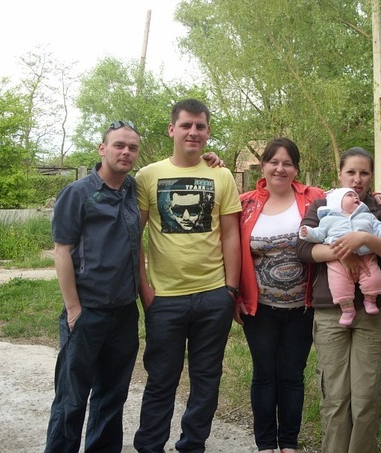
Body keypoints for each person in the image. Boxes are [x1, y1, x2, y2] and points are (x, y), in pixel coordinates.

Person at [133, 99, 242, 453]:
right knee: (161, 379)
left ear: (208, 132)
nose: (193, 132)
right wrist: (145, 289)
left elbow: (230, 235)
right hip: (164, 299)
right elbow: (135, 236)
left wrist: (230, 290)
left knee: (207, 379)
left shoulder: (222, 175)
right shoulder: (148, 176)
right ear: (172, 130)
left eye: (200, 126)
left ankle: (193, 445)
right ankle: (150, 446)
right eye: (186, 125)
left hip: (213, 296)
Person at [296, 147, 381, 453]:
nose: (357, 179)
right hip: (331, 313)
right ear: (339, 174)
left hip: (373, 314)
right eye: (351, 172)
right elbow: (303, 248)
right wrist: (343, 253)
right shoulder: (322, 206)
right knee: (334, 397)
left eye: (364, 173)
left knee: (366, 398)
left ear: (371, 176)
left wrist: (365, 239)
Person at [45, 120, 142, 453]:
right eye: (119, 145)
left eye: (132, 147)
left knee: (111, 398)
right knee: (71, 399)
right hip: (87, 312)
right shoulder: (78, 193)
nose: (126, 152)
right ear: (102, 149)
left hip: (125, 312)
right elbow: (62, 251)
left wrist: (210, 159)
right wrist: (74, 309)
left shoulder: (133, 189)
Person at [236, 137, 325, 453]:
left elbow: (351, 203)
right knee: (264, 375)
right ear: (263, 165)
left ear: (296, 169)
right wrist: (235, 297)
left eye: (287, 163)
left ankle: (288, 443)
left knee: (291, 375)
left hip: (303, 308)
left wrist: (379, 199)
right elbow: (229, 249)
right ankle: (265, 445)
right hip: (259, 308)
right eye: (274, 162)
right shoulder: (245, 204)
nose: (280, 168)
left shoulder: (315, 198)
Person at [299, 188, 381, 325]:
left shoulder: (367, 216)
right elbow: (319, 234)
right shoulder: (328, 219)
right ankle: (347, 309)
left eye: (356, 196)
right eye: (350, 195)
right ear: (338, 202)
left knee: (373, 278)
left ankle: (370, 300)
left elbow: (377, 228)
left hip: (366, 254)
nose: (356, 197)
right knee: (338, 283)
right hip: (336, 260)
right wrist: (308, 232)